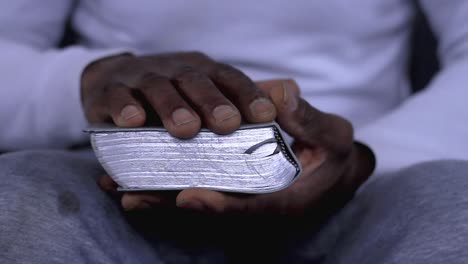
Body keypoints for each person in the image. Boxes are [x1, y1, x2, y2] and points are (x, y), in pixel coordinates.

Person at [0, 1, 467, 263]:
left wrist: (363, 160)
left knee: (456, 203)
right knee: (18, 196)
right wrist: (88, 78)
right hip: (120, 181)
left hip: (361, 181)